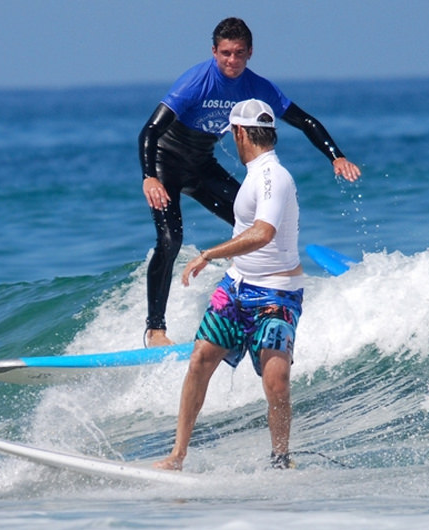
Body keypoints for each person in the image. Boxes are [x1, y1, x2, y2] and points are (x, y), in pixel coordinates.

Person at [139, 17, 361, 347]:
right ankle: (155, 329)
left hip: (201, 165)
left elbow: (305, 121)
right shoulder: (195, 82)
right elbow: (150, 132)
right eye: (226, 53)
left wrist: (336, 156)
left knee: (257, 229)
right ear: (214, 51)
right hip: (165, 163)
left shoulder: (257, 87)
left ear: (250, 53)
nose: (232, 60)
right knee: (171, 239)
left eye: (239, 53)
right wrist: (149, 178)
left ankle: (255, 298)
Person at [154, 99, 303, 471]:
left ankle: (281, 459)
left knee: (276, 379)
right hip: (236, 288)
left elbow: (263, 233)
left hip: (276, 292)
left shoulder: (272, 176)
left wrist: (209, 254)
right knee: (200, 360)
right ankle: (177, 456)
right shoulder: (257, 174)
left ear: (238, 132)